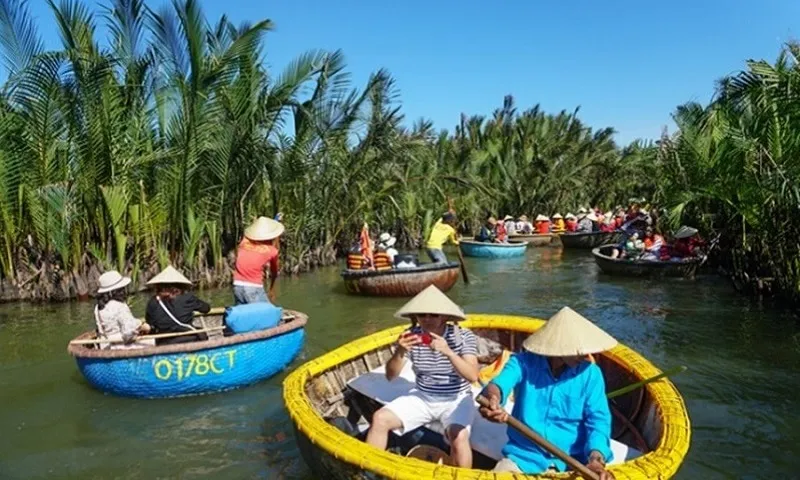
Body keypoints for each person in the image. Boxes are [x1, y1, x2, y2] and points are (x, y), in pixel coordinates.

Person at [478, 307, 616, 478]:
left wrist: (596, 459)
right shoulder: (523, 363)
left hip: (573, 463)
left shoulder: (591, 374)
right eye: (577, 350)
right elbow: (498, 385)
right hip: (523, 459)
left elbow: (598, 421)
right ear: (558, 348)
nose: (584, 355)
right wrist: (493, 399)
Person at [365, 285, 479, 468]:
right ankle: (368, 470)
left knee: (459, 436)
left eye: (433, 315)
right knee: (380, 419)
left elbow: (472, 375)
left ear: (444, 316)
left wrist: (448, 352)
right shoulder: (412, 337)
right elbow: (390, 375)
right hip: (423, 396)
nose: (427, 319)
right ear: (415, 317)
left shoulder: (463, 337)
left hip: (456, 398)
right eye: (422, 315)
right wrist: (400, 351)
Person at [145, 266, 211, 345]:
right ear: (181, 285)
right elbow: (206, 308)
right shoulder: (187, 297)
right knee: (201, 332)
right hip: (190, 338)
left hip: (165, 343)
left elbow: (150, 323)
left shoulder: (152, 302)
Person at [93, 271, 154, 350]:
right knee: (154, 341)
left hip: (105, 345)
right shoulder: (119, 306)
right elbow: (128, 333)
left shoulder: (97, 307)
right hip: (120, 345)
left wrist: (138, 322)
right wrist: (143, 327)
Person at [232, 216, 284, 304]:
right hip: (253, 288)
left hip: (237, 286)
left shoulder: (243, 243)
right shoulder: (272, 251)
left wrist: (275, 220)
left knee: (243, 313)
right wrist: (272, 289)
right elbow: (274, 273)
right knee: (266, 314)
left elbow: (249, 234)